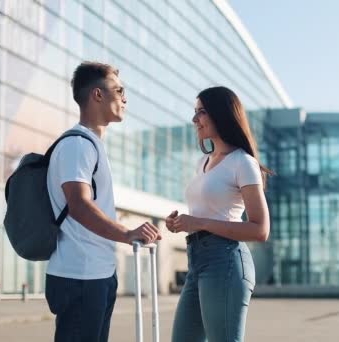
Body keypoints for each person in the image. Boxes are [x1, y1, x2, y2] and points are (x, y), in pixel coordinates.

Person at [45, 62, 161, 342]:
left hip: (96, 274)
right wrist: (127, 233)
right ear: (97, 95)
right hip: (80, 275)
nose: (124, 98)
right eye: (118, 90)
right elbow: (79, 205)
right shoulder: (77, 145)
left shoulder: (91, 145)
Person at [167, 86, 272, 342]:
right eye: (194, 112)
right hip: (196, 260)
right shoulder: (202, 163)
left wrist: (199, 222)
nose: (194, 120)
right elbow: (206, 212)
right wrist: (182, 223)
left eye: (201, 112)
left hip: (224, 261)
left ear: (221, 114)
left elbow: (260, 229)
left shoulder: (242, 162)